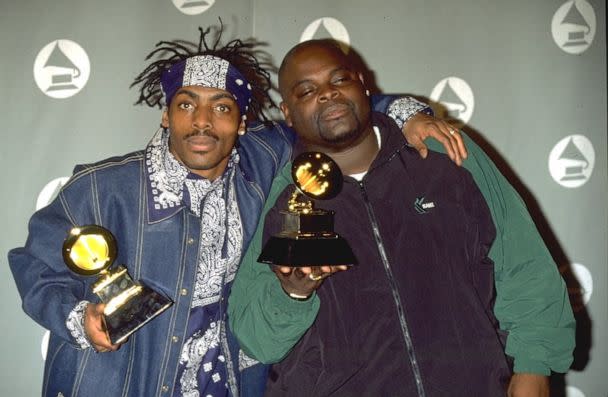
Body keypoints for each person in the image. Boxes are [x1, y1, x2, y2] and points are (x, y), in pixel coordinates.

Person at [8, 26, 462, 397]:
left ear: (242, 122)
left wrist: (406, 113)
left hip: (229, 382)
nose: (202, 121)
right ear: (166, 114)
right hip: (119, 379)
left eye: (221, 108)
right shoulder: (101, 187)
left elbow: (333, 109)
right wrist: (77, 317)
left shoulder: (264, 160)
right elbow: (35, 265)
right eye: (186, 105)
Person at [227, 39, 575, 397]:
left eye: (339, 79)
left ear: (363, 84)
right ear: (288, 112)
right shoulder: (287, 199)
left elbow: (523, 263)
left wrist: (534, 365)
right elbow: (259, 340)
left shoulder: (448, 157)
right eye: (307, 90)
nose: (328, 94)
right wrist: (293, 293)